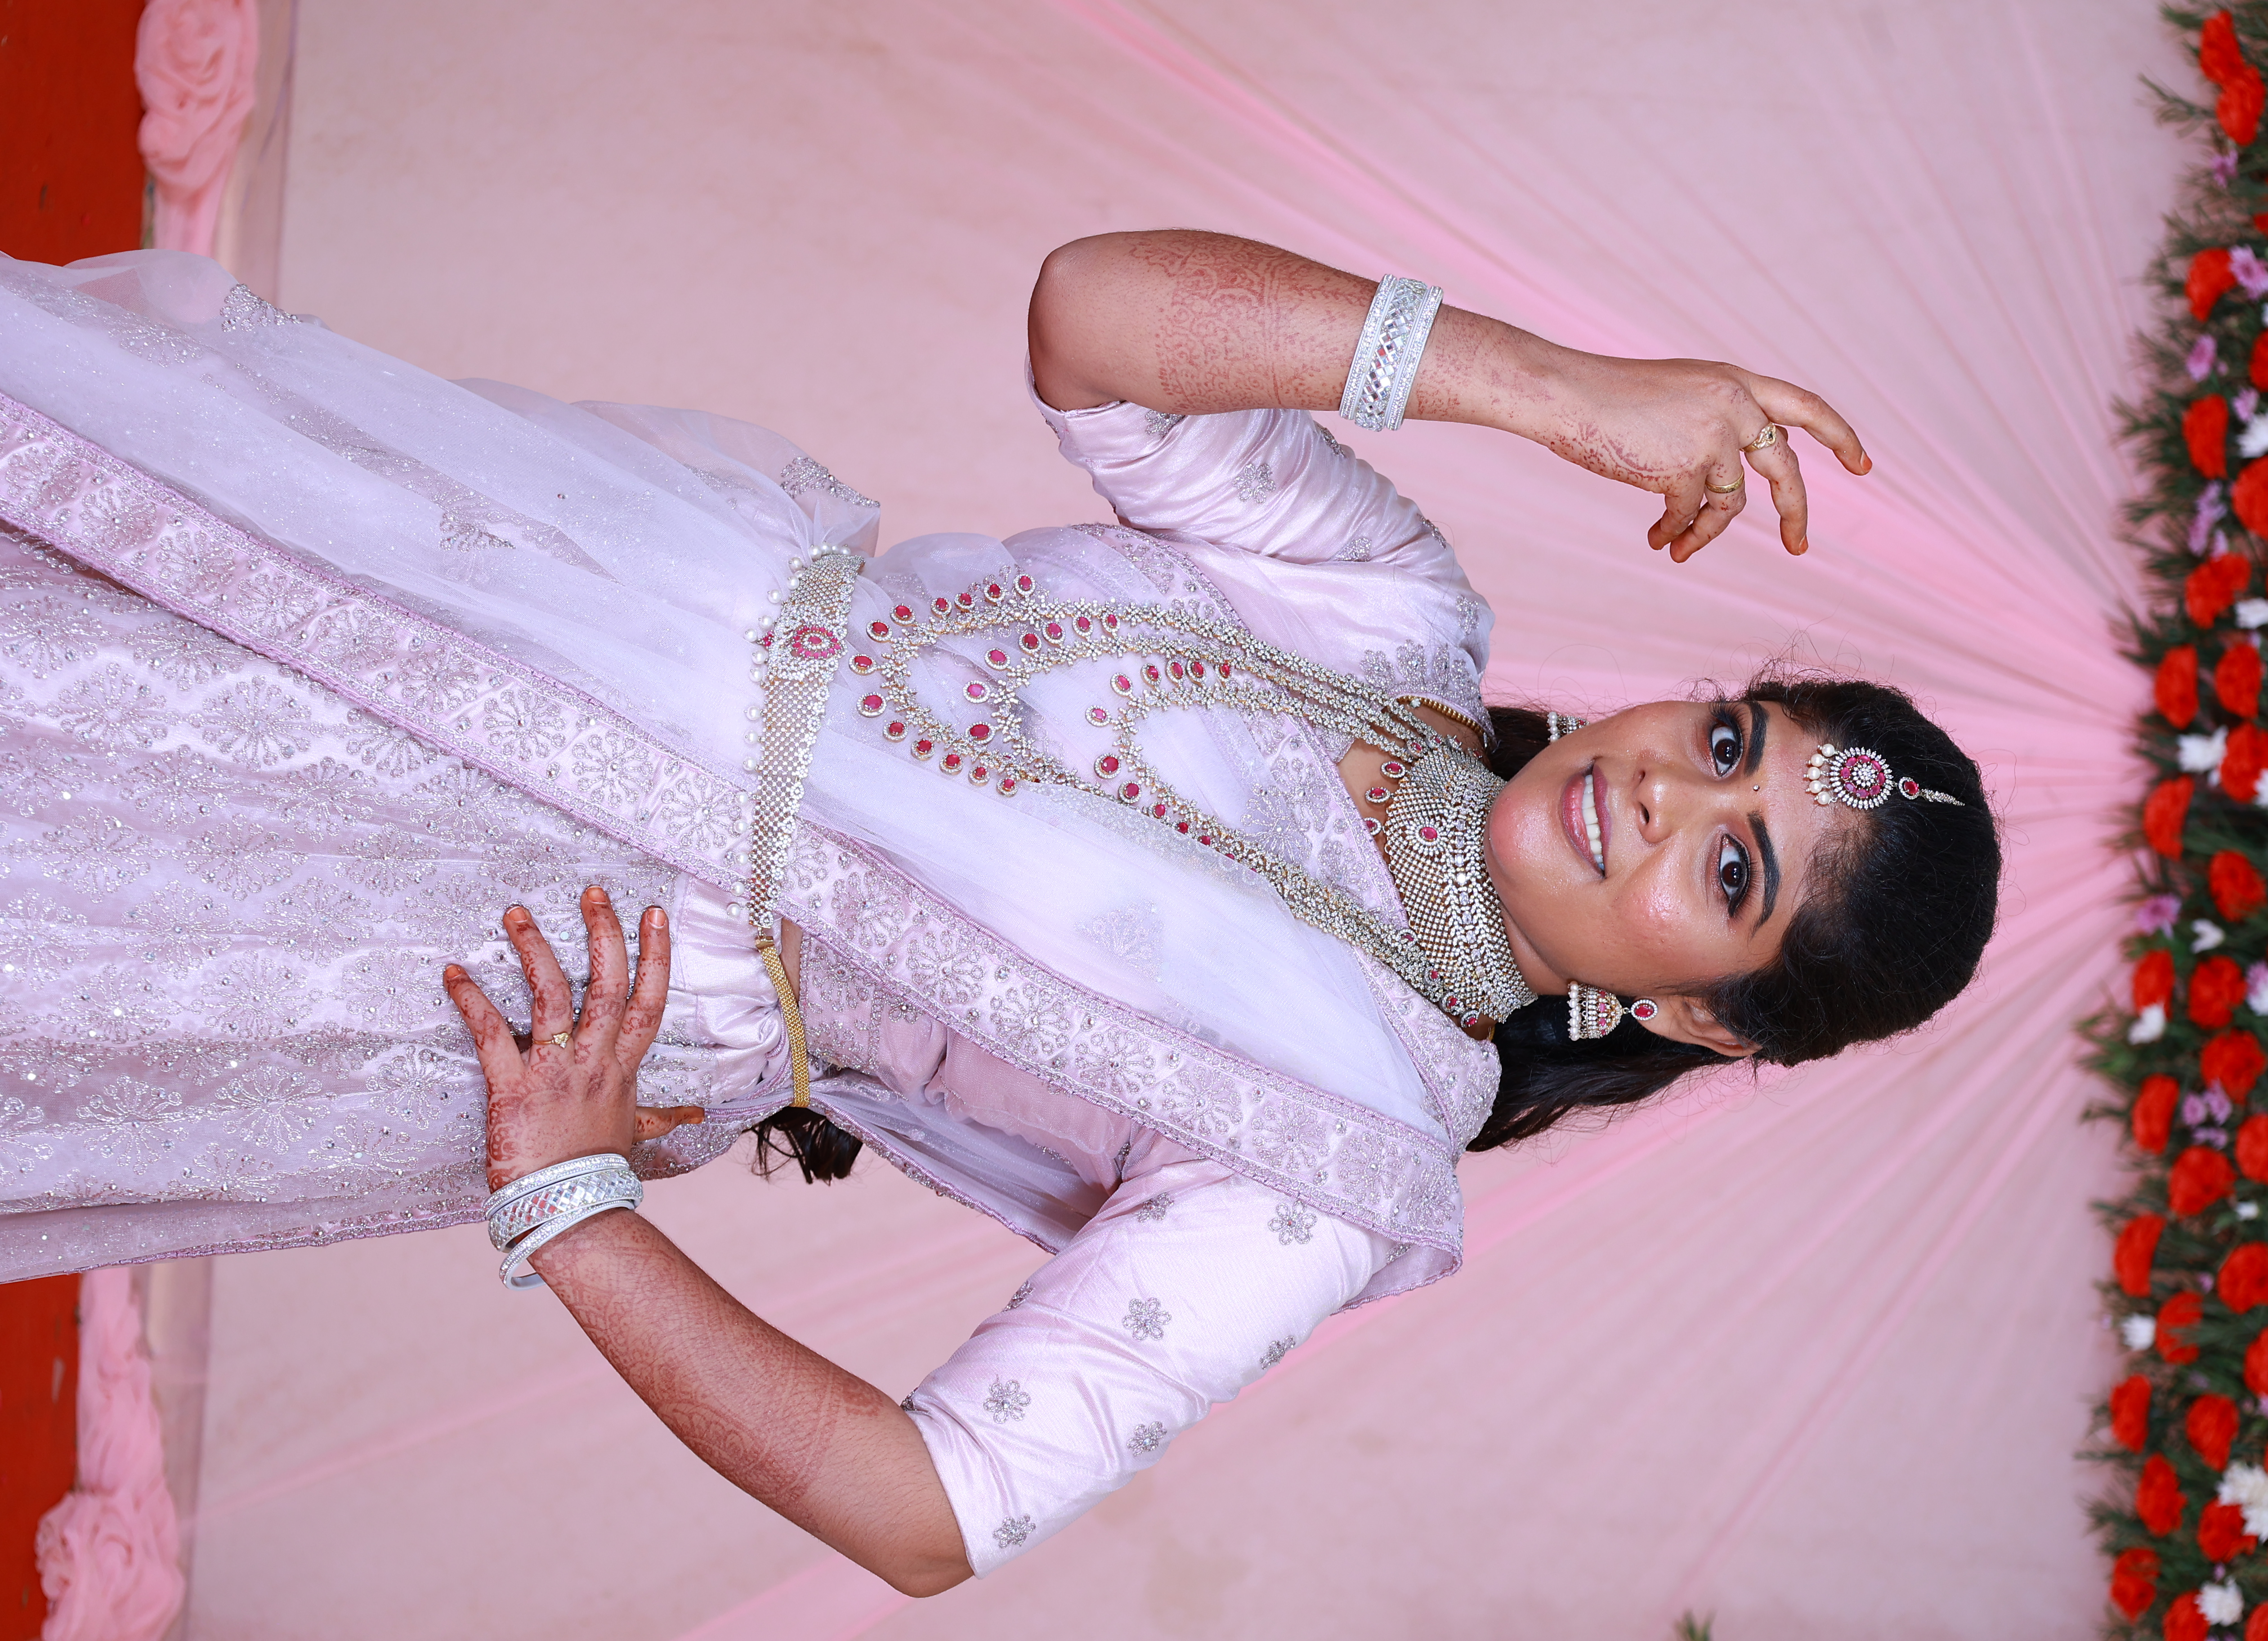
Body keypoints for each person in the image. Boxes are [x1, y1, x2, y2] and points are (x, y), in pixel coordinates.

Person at [0, 231, 1999, 1593]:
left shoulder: (1339, 1156)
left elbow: (930, 1505)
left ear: (1714, 1025)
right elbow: (1094, 317)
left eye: (1725, 870)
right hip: (529, 574)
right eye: (1730, 735)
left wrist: (573, 1206)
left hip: (533, 932)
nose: (1665, 789)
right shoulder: (1391, 611)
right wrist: (1553, 386)